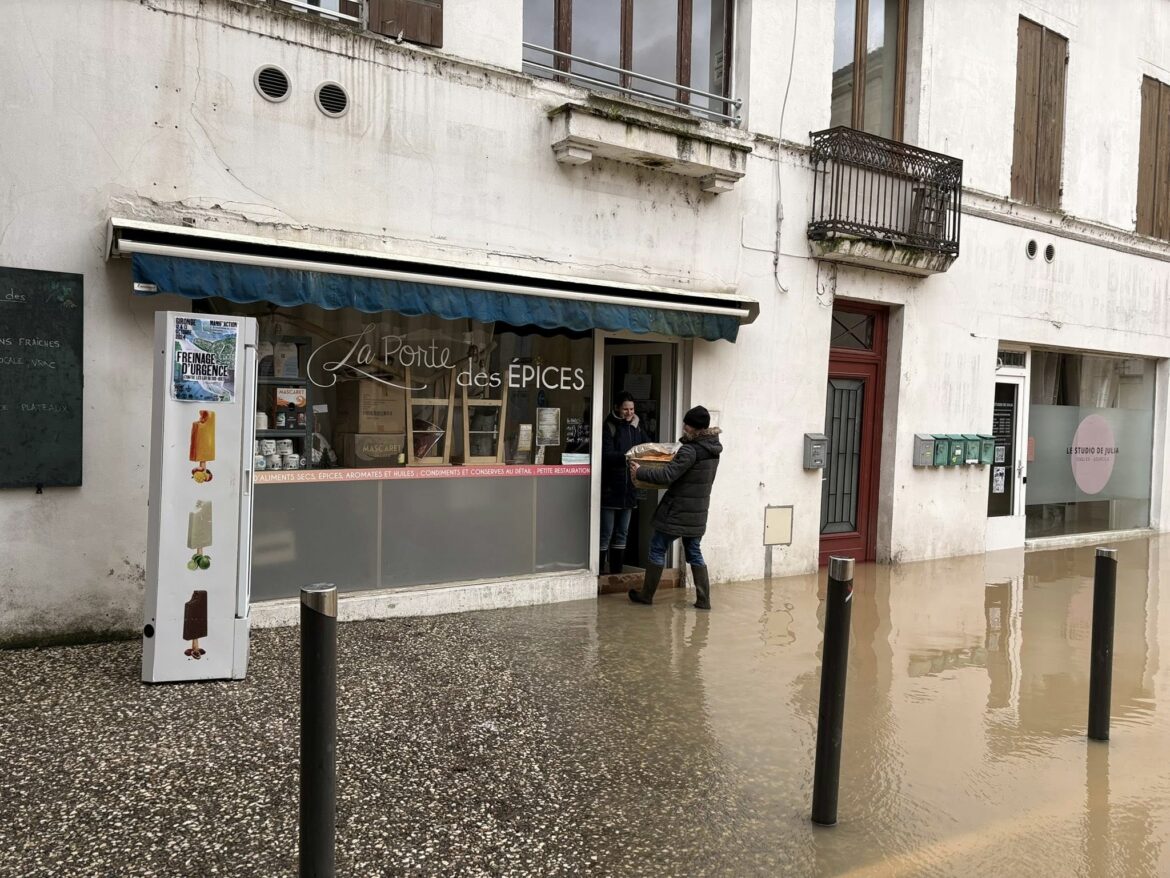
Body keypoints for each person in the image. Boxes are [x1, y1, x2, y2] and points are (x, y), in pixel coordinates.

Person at [627, 405, 722, 609]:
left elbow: (668, 475)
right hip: (698, 511)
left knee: (657, 547)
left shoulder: (690, 450)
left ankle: (646, 595)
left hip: (677, 510)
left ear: (694, 428)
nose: (684, 427)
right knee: (694, 551)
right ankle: (704, 600)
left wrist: (640, 471)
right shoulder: (713, 450)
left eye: (687, 424)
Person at [599, 391, 649, 576]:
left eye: (632, 409)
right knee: (605, 534)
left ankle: (616, 574)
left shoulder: (637, 426)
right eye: (625, 409)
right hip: (611, 488)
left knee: (622, 533)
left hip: (630, 490)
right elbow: (605, 455)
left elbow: (645, 447)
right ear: (617, 408)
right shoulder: (609, 426)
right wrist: (628, 457)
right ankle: (600, 574)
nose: (629, 413)